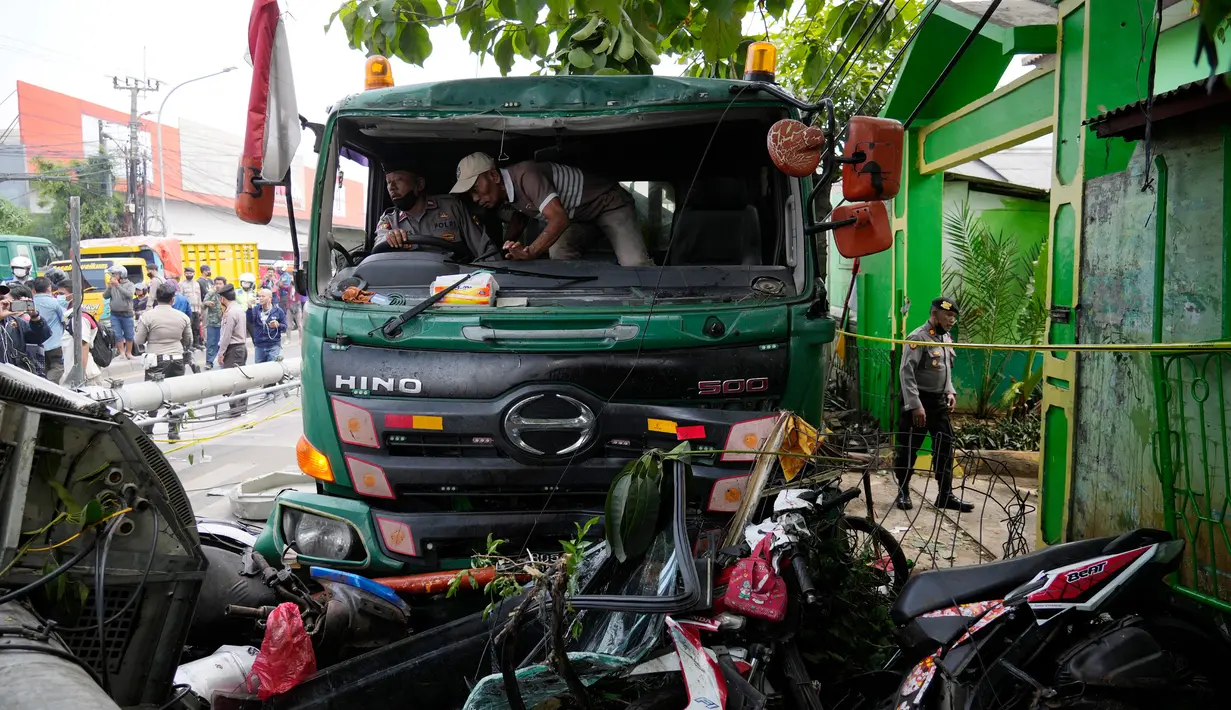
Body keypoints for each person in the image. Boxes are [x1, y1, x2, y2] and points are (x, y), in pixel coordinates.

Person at [451, 152, 652, 266]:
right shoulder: (505, 192)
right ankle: (576, 301)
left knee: (634, 264)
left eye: (476, 188)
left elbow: (558, 219)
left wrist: (531, 251)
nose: (476, 198)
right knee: (558, 250)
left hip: (608, 204)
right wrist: (502, 250)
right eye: (471, 195)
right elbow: (521, 217)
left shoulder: (526, 175)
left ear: (494, 177)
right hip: (577, 217)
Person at [894, 297, 973, 513]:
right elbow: (906, 373)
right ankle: (902, 491)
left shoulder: (946, 338)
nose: (951, 320)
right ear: (934, 314)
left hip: (938, 403)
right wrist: (915, 405)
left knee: (945, 448)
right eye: (948, 315)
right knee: (909, 449)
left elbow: (946, 369)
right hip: (918, 402)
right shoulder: (917, 338)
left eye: (954, 317)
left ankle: (945, 495)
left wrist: (950, 392)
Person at [375, 163, 498, 261]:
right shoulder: (389, 220)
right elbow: (378, 245)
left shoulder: (451, 207)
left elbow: (484, 248)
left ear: (419, 184)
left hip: (452, 280)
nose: (392, 187)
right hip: (408, 283)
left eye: (398, 179)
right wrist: (388, 237)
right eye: (388, 182)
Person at [135, 282, 193, 439]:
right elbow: (188, 340)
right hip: (177, 359)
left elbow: (138, 340)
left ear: (156, 298)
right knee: (176, 395)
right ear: (173, 299)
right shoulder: (183, 317)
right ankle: (173, 431)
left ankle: (148, 431)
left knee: (152, 395)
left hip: (156, 360)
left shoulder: (147, 317)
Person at [214, 284, 249, 416]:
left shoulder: (230, 312)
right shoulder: (238, 309)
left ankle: (236, 409)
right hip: (240, 348)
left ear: (222, 299)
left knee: (233, 380)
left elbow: (226, 335)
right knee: (240, 379)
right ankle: (240, 407)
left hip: (233, 349)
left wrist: (221, 353)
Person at [0, 284, 50, 371]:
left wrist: (35, 317)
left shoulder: (14, 322)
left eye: (2, 298)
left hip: (15, 377)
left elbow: (40, 337)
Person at [32, 276, 67, 384]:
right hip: (55, 343)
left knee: (44, 368)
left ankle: (44, 387)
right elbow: (64, 318)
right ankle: (49, 385)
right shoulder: (54, 303)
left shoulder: (30, 303)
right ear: (49, 288)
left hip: (38, 344)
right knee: (59, 367)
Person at [103, 265, 137, 360]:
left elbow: (129, 295)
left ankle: (129, 353)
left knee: (129, 334)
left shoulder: (130, 284)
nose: (113, 276)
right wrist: (110, 287)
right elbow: (105, 296)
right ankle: (121, 353)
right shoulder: (112, 285)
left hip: (127, 314)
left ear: (122, 274)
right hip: (114, 314)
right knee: (117, 334)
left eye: (115, 274)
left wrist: (117, 286)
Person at [248, 288, 286, 363]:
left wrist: (277, 325)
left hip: (273, 345)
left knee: (272, 369)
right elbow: (249, 321)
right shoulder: (256, 309)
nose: (261, 298)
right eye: (259, 296)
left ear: (270, 298)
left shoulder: (278, 311)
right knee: (259, 370)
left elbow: (285, 326)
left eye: (263, 296)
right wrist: (249, 308)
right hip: (259, 346)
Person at [202, 276, 227, 368]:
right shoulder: (211, 294)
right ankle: (209, 362)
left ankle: (224, 361)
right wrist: (206, 303)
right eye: (216, 283)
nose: (218, 285)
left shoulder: (227, 294)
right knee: (211, 343)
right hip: (213, 322)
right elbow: (203, 305)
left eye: (220, 284)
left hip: (225, 323)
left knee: (224, 343)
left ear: (224, 284)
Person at [182, 266, 204, 350]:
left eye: (190, 273)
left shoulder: (196, 284)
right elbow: (181, 298)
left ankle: (196, 343)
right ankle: (189, 345)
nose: (189, 275)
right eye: (187, 273)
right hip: (188, 309)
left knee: (196, 327)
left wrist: (200, 310)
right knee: (189, 328)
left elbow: (199, 297)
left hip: (196, 309)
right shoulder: (182, 284)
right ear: (184, 274)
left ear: (194, 274)